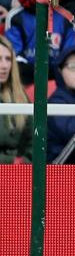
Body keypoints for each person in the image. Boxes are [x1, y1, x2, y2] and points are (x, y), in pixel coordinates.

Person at [6, 0, 75, 86]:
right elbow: (13, 57)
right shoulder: (16, 17)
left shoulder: (66, 17)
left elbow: (71, 56)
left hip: (58, 84)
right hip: (25, 83)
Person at [0, 34, 32, 164]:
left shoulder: (20, 96)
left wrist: (23, 163)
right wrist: (10, 161)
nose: (5, 66)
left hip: (17, 172)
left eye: (8, 59)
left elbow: (34, 140)